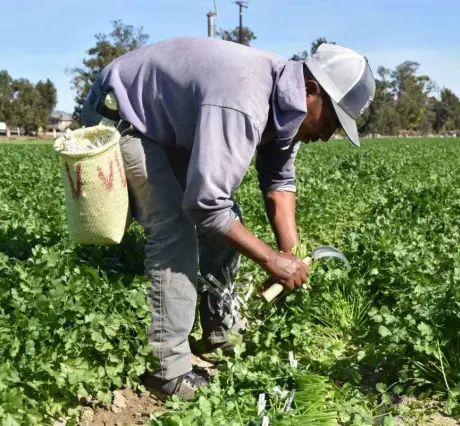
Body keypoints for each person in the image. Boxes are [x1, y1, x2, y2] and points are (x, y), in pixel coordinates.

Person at [80, 36, 375, 400]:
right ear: (311, 91)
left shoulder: (289, 105)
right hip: (123, 115)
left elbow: (279, 184)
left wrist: (290, 254)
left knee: (228, 217)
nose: (329, 135)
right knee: (176, 224)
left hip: (168, 124)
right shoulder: (245, 98)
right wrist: (270, 259)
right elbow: (205, 205)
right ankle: (167, 370)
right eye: (332, 120)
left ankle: (219, 333)